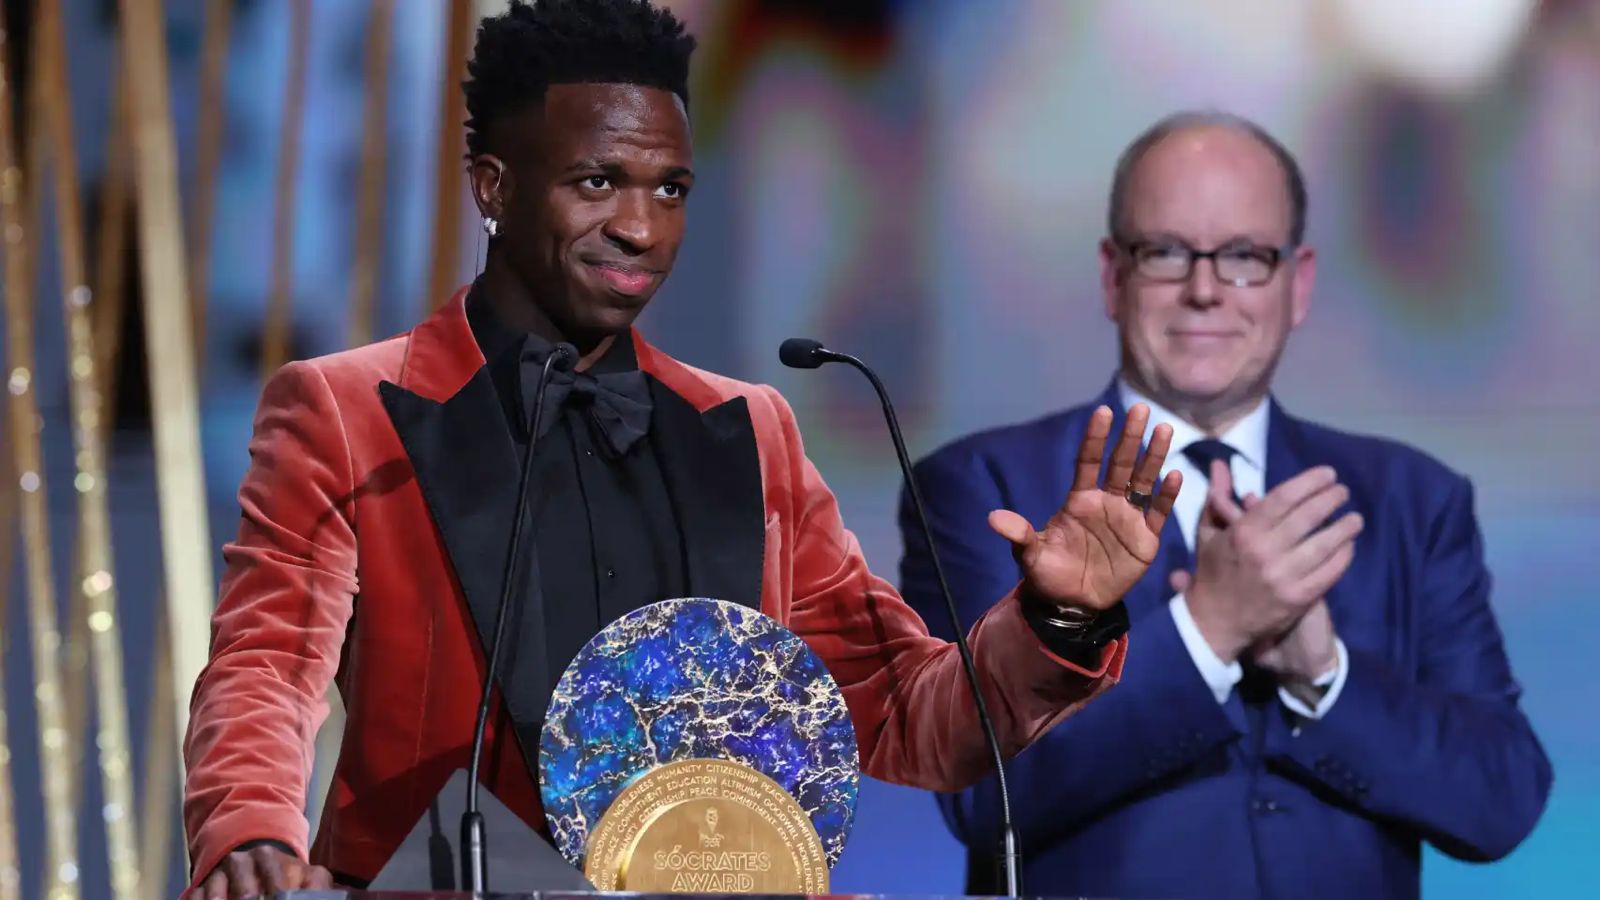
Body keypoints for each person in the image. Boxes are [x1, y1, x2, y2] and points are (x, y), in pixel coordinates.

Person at [179, 2, 1184, 897]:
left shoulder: (751, 431)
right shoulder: (348, 410)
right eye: (598, 181)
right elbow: (267, 665)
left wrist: (1058, 616)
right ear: (494, 187)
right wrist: (249, 831)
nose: (639, 228)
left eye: (670, 190)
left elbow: (904, 715)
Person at [898, 111, 1551, 900]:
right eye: (1166, 252)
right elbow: (973, 789)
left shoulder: (1414, 500)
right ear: (1112, 276)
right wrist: (1207, 629)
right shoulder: (980, 487)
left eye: (1244, 256)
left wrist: (1325, 676)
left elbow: (1499, 802)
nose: (1204, 290)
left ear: (1298, 283)